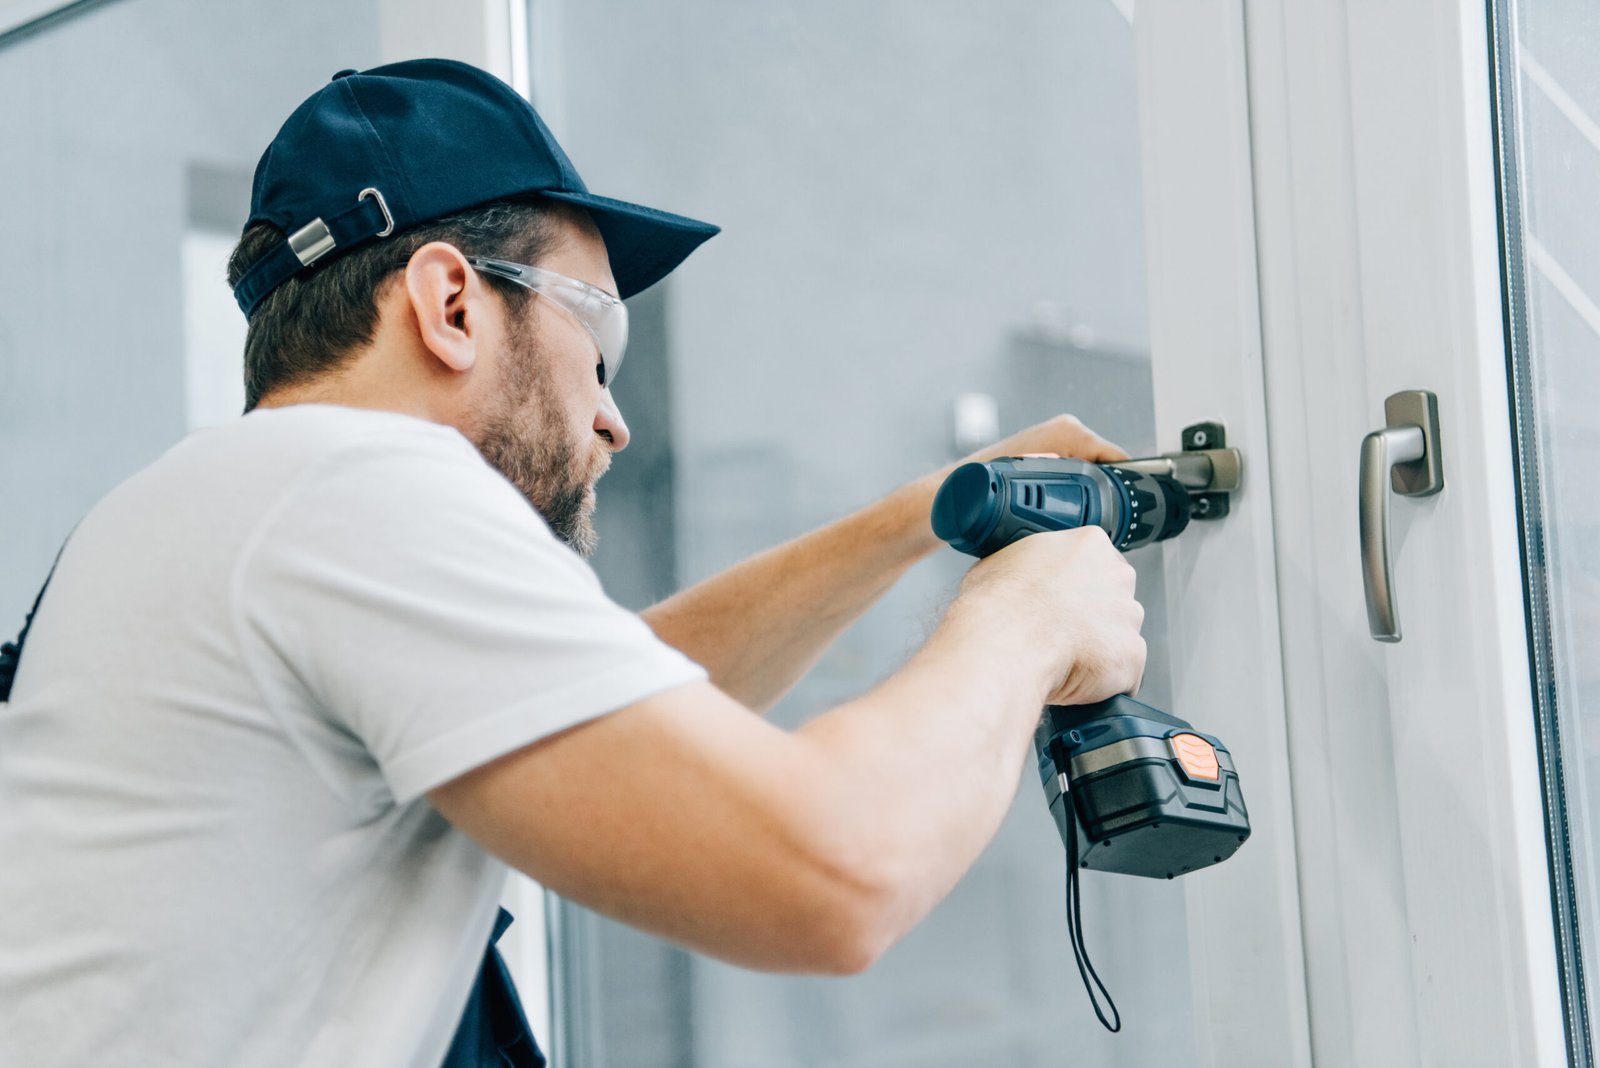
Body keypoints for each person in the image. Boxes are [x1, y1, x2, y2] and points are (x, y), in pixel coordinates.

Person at [0, 59, 1145, 1067]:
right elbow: (837, 874)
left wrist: (918, 520)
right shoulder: (356, 491)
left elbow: (629, 691)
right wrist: (1027, 618)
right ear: (451, 303)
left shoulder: (219, 509)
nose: (614, 420)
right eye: (599, 342)